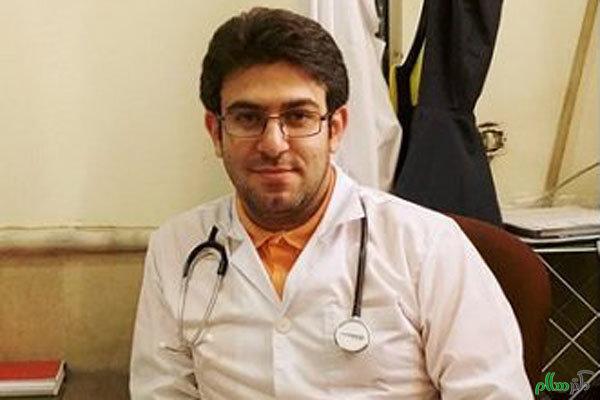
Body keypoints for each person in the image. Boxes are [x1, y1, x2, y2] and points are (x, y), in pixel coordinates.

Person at [130, 7, 532, 399]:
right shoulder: (177, 248)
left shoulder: (428, 246)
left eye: (298, 117)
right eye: (248, 118)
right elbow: (161, 391)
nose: (273, 144)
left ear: (335, 129)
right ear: (216, 132)